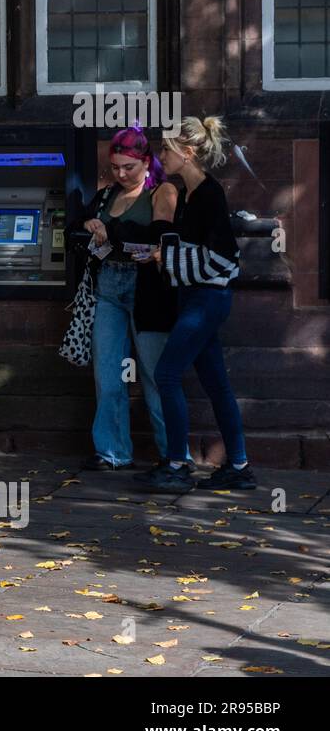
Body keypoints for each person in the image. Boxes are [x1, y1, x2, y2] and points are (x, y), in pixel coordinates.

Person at [134, 117, 254, 493]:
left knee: (167, 375)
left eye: (166, 151)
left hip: (206, 300)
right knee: (216, 384)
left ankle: (176, 464)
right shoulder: (188, 193)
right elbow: (194, 251)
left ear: (186, 154)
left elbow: (222, 260)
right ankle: (238, 466)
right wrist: (161, 253)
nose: (161, 157)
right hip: (196, 298)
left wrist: (163, 258)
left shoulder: (209, 195)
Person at [77, 125, 179, 471]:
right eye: (115, 167)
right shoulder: (108, 195)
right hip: (108, 285)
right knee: (107, 374)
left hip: (147, 286)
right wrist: (90, 224)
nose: (121, 174)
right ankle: (112, 451)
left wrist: (114, 231)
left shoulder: (162, 191)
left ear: (147, 162)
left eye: (129, 168)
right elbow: (78, 225)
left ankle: (173, 455)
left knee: (155, 374)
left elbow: (159, 234)